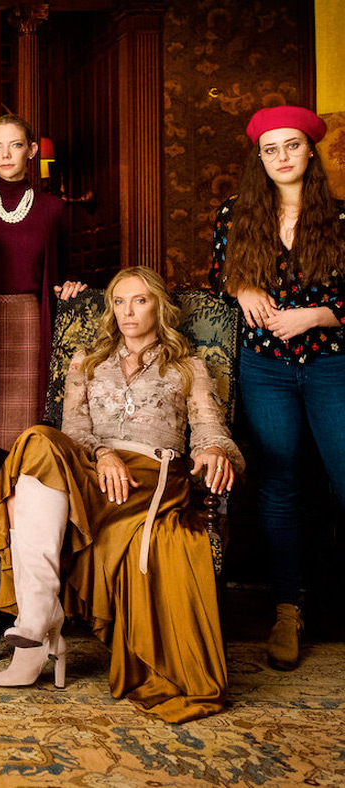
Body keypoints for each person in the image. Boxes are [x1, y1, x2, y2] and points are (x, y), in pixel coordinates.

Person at [0, 266, 242, 723]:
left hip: (151, 473)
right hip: (92, 466)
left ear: (159, 306)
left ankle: (36, 635)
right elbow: (74, 431)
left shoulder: (187, 366)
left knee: (25, 493)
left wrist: (215, 450)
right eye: (119, 302)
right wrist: (102, 454)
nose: (128, 312)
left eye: (140, 300)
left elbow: (208, 427)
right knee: (38, 442)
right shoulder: (86, 361)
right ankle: (37, 621)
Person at [209, 105, 345, 672]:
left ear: (310, 150)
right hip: (264, 366)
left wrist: (316, 315)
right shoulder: (236, 213)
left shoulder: (339, 217)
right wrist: (241, 287)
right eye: (271, 149)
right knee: (279, 484)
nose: (282, 156)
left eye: (292, 145)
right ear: (259, 159)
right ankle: (287, 609)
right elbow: (220, 274)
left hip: (330, 363)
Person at [0, 114, 86, 450]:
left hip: (29, 321)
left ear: (32, 150)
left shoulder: (53, 208)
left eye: (15, 145)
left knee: (25, 423)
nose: (6, 154)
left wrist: (72, 285)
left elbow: (65, 270)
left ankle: (21, 480)